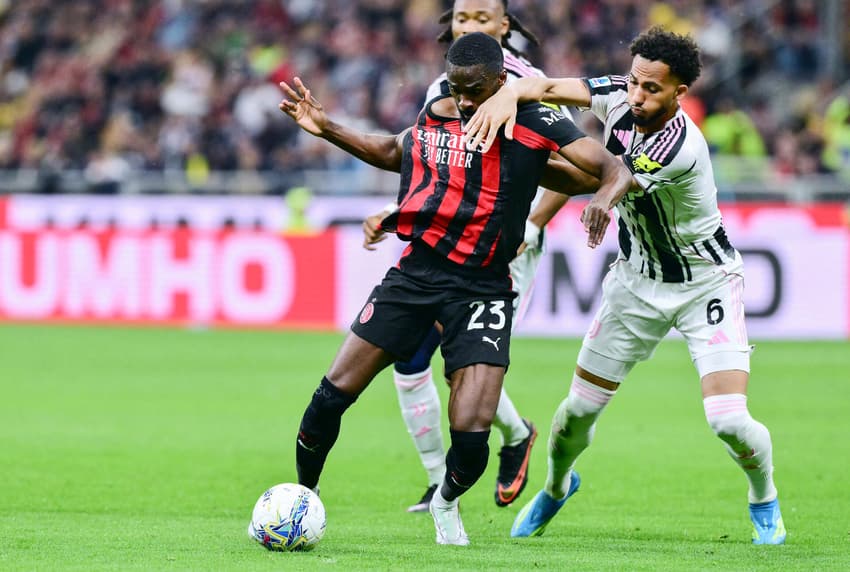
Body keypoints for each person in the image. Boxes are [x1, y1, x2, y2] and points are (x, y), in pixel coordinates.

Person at [278, 32, 632, 546]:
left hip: (483, 287)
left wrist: (599, 197)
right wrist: (326, 126)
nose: (463, 100)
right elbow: (395, 150)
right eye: (456, 87)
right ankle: (302, 498)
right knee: (329, 397)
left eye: (474, 90)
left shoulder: (534, 117)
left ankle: (445, 501)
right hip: (415, 275)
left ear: (500, 80)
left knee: (470, 437)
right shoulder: (440, 107)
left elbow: (609, 169)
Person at [464, 26, 786, 545]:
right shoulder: (619, 91)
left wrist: (543, 169)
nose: (636, 95)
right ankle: (555, 488)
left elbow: (600, 177)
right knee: (575, 414)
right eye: (634, 82)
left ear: (680, 92)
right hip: (635, 283)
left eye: (652, 89)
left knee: (727, 419)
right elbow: (546, 87)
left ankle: (763, 496)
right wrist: (508, 94)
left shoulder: (680, 145)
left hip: (705, 284)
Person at [361, 0, 580, 514]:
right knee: (410, 360)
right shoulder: (445, 87)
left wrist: (532, 224)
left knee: (458, 366)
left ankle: (511, 439)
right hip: (448, 240)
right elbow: (432, 166)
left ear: (504, 26)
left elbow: (573, 166)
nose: (470, 26)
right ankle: (442, 481)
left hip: (503, 248)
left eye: (483, 18)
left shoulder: (531, 85)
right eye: (463, 18)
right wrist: (396, 211)